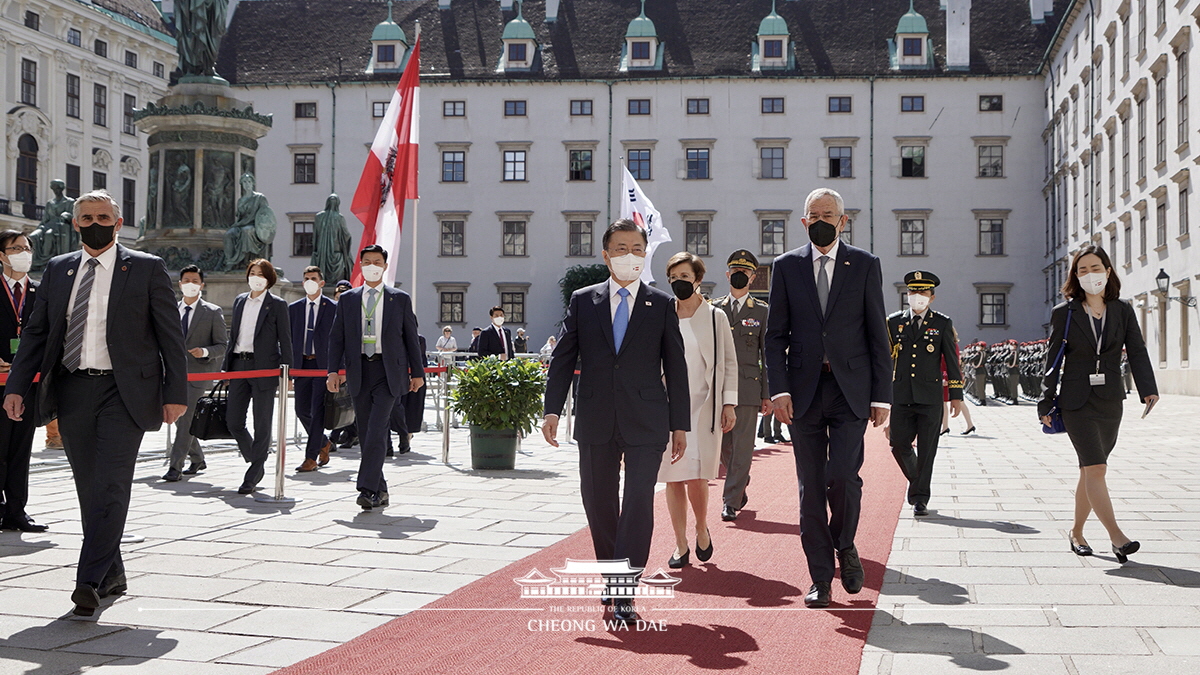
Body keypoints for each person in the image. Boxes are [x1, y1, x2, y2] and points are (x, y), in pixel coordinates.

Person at [3, 190, 188, 616]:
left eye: (102, 216)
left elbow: (169, 337)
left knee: (110, 484)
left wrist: (175, 394)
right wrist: (16, 386)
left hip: (124, 393)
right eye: (85, 217)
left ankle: (87, 581)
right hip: (72, 389)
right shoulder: (58, 269)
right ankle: (112, 572)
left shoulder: (145, 268)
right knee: (89, 487)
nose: (94, 223)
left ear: (118, 222)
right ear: (74, 223)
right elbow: (36, 332)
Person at [542, 219, 689, 627]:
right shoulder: (582, 301)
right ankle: (612, 572)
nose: (629, 255)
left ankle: (626, 586)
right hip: (596, 417)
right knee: (598, 499)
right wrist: (552, 408)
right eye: (620, 248)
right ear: (606, 255)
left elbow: (675, 367)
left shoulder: (660, 304)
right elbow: (564, 357)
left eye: (637, 249)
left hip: (647, 420)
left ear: (646, 255)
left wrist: (681, 424)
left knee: (639, 499)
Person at [764, 187, 891, 609]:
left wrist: (882, 396)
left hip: (850, 390)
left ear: (843, 219)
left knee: (843, 476)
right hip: (802, 393)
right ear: (803, 222)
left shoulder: (865, 265)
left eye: (828, 213)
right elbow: (775, 335)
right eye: (813, 213)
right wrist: (779, 389)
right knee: (811, 486)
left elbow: (878, 334)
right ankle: (820, 578)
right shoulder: (785, 266)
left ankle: (846, 544)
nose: (820, 219)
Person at [1038, 245, 1158, 564]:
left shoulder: (1122, 310)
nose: (1089, 274)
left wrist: (1148, 389)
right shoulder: (1064, 313)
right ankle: (1117, 537)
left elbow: (1137, 350)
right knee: (1096, 467)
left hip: (1110, 401)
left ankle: (1076, 531)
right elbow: (1052, 361)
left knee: (1091, 471)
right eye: (1082, 270)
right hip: (1075, 401)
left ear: (1107, 271)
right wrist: (1045, 402)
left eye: (1095, 268)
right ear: (1075, 277)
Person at [326, 245, 424, 510]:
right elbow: (337, 337)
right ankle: (380, 490)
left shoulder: (399, 298)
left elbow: (411, 338)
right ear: (360, 265)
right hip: (359, 370)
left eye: (377, 262)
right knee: (368, 430)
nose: (372, 265)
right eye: (367, 261)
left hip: (388, 371)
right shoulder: (348, 299)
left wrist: (418, 372)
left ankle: (367, 489)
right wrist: (333, 371)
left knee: (378, 428)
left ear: (384, 266)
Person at [657, 252, 737, 568]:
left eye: (685, 277)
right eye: (674, 278)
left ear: (698, 280)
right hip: (668, 407)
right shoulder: (663, 314)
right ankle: (680, 544)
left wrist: (729, 403)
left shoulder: (716, 317)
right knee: (673, 477)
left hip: (705, 406)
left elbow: (729, 362)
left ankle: (701, 526)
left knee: (699, 476)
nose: (679, 283)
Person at [885, 271, 964, 517]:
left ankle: (920, 498)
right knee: (898, 444)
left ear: (932, 297)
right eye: (912, 292)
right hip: (901, 395)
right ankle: (917, 480)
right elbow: (885, 361)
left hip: (930, 397)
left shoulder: (942, 323)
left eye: (923, 292)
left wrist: (956, 395)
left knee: (928, 450)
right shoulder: (893, 322)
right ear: (907, 295)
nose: (917, 296)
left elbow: (952, 361)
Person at [710, 249, 771, 522]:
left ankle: (730, 502)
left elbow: (766, 356)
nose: (739, 276)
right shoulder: (713, 308)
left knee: (743, 446)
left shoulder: (761, 311)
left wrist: (767, 394)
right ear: (727, 274)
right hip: (716, 389)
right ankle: (739, 482)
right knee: (723, 447)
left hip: (747, 389)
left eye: (744, 272)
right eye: (735, 271)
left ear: (753, 277)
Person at [223, 259, 292, 494]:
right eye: (252, 273)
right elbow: (233, 336)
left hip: (264, 368)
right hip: (239, 365)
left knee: (262, 421)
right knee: (233, 421)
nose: (256, 277)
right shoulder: (240, 300)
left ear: (269, 278)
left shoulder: (277, 305)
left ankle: (254, 472)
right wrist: (226, 367)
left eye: (261, 274)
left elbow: (286, 340)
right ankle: (256, 457)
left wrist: (287, 371)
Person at [0, 231, 47, 532]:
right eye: (15, 248)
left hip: (27, 383)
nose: (23, 253)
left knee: (21, 448)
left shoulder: (40, 292)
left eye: (27, 248)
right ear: (2, 256)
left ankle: (17, 510)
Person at [163, 265, 228, 481]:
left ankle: (175, 467)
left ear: (202, 284)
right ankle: (198, 458)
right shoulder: (170, 309)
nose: (190, 284)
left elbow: (222, 345)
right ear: (180, 284)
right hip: (172, 374)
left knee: (187, 418)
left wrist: (205, 352)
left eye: (195, 280)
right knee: (180, 420)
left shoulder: (212, 312)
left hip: (197, 376)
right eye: (186, 280)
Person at [289, 265, 337, 472]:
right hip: (302, 365)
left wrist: (339, 370)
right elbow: (289, 340)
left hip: (323, 365)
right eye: (307, 278)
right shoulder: (294, 309)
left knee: (317, 411)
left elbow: (340, 340)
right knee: (301, 409)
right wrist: (289, 370)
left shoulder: (333, 307)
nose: (310, 281)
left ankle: (310, 458)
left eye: (314, 278)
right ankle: (323, 442)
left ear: (321, 282)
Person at [328, 280, 356, 450]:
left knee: (345, 402)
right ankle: (348, 433)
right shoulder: (331, 312)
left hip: (348, 366)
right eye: (338, 297)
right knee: (339, 402)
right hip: (334, 365)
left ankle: (337, 436)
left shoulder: (353, 314)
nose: (340, 300)